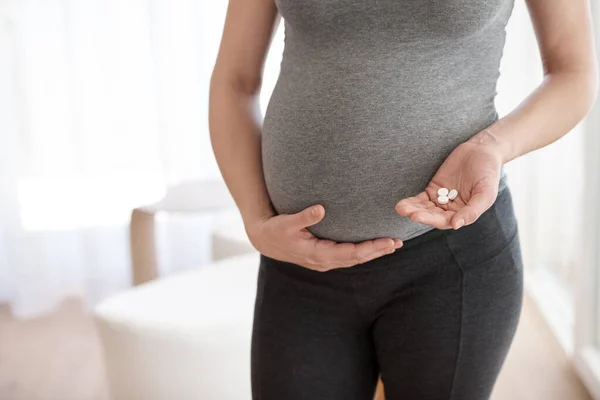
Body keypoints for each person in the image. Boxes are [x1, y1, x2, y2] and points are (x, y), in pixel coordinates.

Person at [209, 0, 598, 398]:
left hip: (450, 264)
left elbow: (574, 72)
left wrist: (492, 147)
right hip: (298, 269)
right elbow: (235, 80)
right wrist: (255, 220)